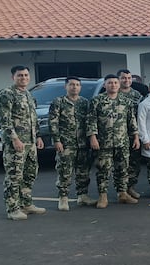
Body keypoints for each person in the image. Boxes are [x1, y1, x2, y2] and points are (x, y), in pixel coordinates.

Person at [0, 65, 46, 220]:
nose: (23, 78)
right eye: (20, 75)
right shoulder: (7, 94)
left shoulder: (28, 95)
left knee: (30, 174)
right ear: (13, 77)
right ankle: (12, 209)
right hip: (16, 144)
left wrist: (38, 136)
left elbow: (33, 118)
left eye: (26, 75)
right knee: (14, 176)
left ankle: (26, 204)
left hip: (30, 143)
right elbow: (4, 119)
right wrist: (14, 138)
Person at [88, 74, 140, 208]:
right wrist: (93, 137)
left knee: (123, 169)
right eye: (110, 83)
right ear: (105, 85)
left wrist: (135, 136)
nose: (113, 85)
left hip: (122, 141)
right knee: (103, 170)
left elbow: (131, 120)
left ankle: (122, 194)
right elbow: (91, 119)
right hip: (103, 142)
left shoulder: (125, 100)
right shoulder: (97, 100)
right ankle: (103, 196)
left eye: (115, 83)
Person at [50, 76, 94, 210]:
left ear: (80, 87)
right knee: (65, 172)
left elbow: (90, 122)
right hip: (66, 144)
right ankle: (63, 198)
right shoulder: (59, 102)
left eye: (77, 85)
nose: (74, 87)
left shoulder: (85, 103)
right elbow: (53, 122)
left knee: (83, 172)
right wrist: (57, 140)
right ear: (66, 87)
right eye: (71, 85)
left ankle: (83, 196)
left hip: (82, 144)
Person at [118, 69, 144, 201]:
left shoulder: (137, 95)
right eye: (123, 78)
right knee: (121, 164)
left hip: (133, 134)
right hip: (117, 135)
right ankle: (121, 191)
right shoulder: (113, 94)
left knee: (134, 163)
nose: (126, 80)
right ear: (119, 79)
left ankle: (130, 188)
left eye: (128, 78)